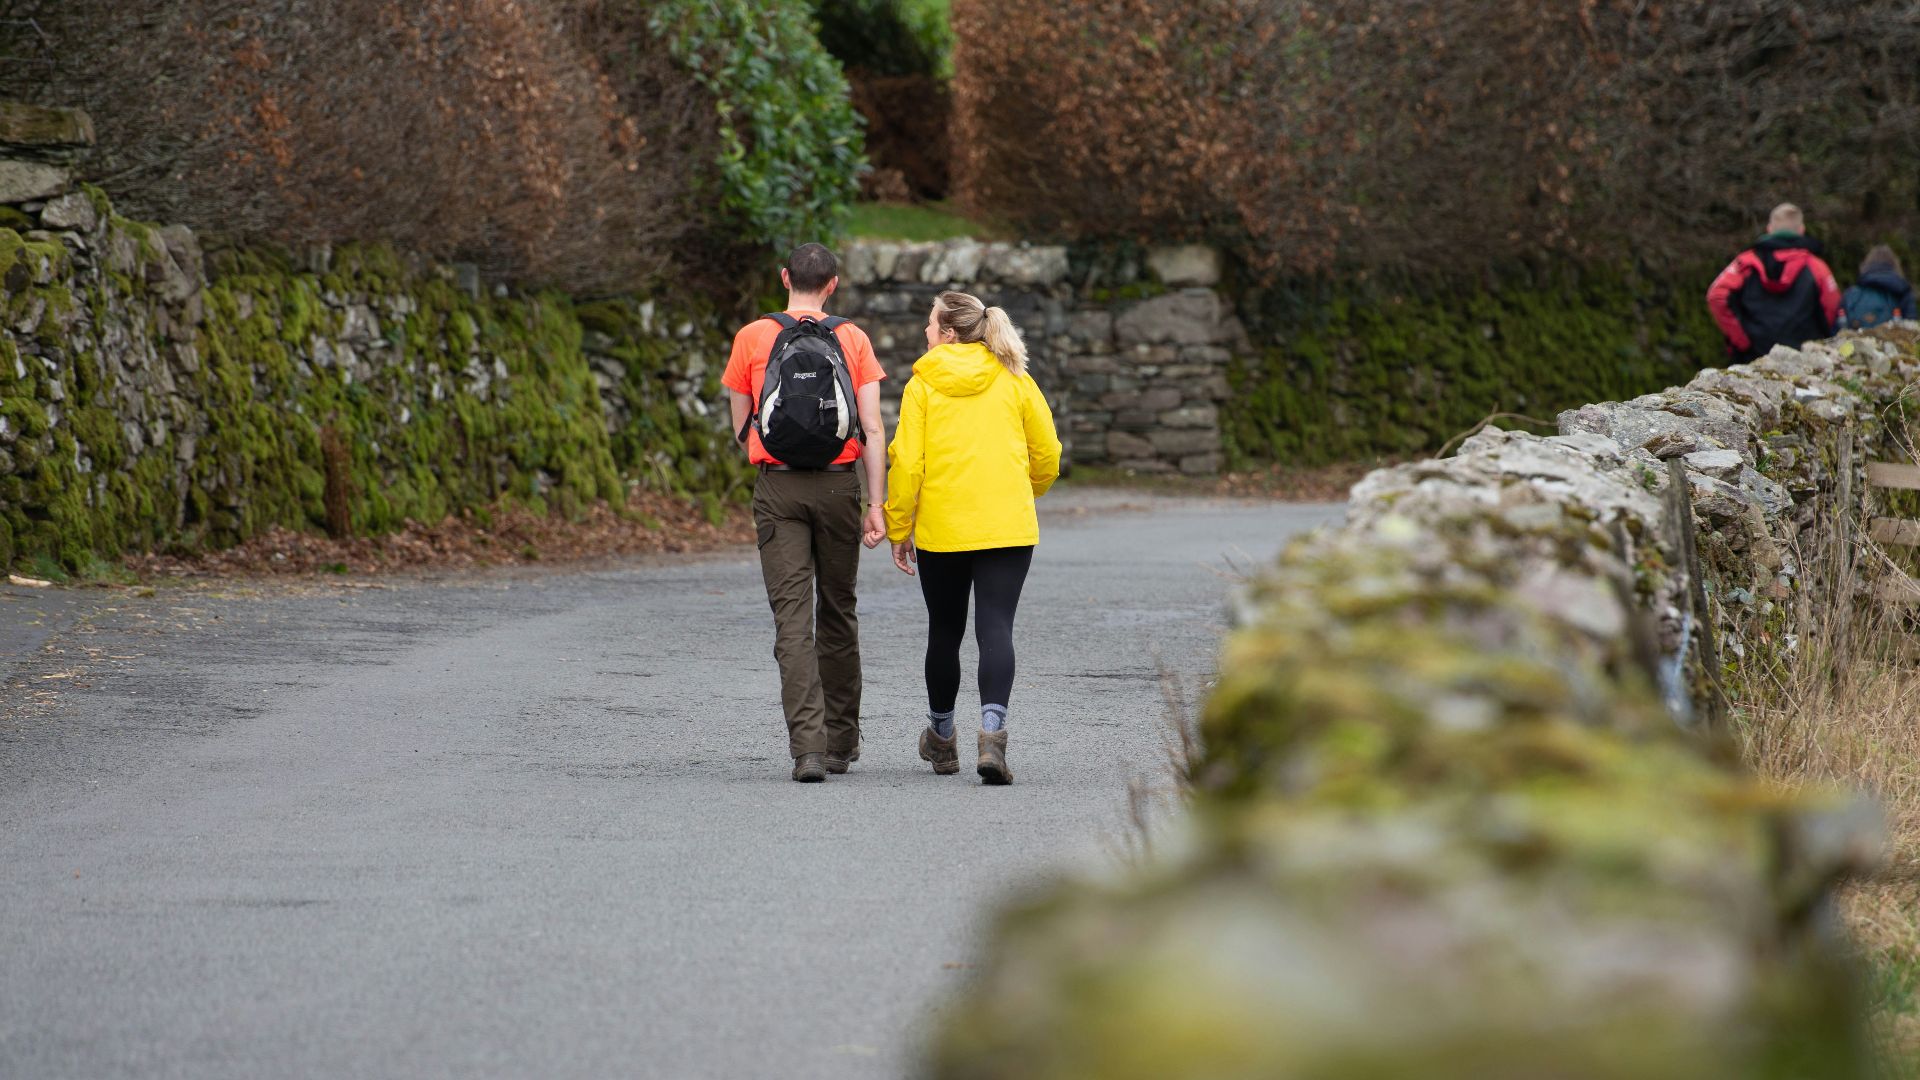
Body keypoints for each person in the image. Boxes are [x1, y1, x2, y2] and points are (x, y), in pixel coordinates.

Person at [724, 243, 888, 783]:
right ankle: (841, 742)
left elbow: (742, 425)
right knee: (838, 610)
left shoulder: (752, 336)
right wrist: (877, 504)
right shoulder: (853, 338)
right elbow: (872, 428)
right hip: (840, 486)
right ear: (833, 285)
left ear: (784, 277)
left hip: (778, 488)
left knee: (792, 621)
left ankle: (808, 751)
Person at [884, 291, 1062, 785]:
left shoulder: (922, 385)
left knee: (945, 630)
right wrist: (1025, 491)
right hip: (1007, 525)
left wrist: (899, 526)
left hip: (943, 529)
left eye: (930, 324)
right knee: (996, 627)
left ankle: (942, 739)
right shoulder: (1015, 378)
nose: (925, 332)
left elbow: (907, 463)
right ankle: (992, 736)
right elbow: (1047, 452)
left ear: (948, 333)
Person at [1707, 202, 1842, 363]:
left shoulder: (1745, 263)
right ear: (1801, 230)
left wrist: (1741, 341)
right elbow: (1833, 307)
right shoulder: (1816, 267)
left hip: (1754, 356)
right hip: (1804, 355)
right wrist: (1821, 339)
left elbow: (1716, 296)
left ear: (1769, 228)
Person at [1839, 246, 1917, 331]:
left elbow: (1838, 329)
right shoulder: (1902, 290)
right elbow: (1911, 326)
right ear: (1895, 265)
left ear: (1865, 265)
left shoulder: (1851, 294)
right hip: (1891, 338)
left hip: (1855, 338)